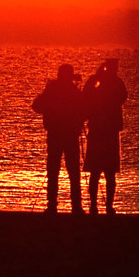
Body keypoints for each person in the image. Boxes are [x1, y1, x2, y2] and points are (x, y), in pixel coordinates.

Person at [31, 63, 85, 215]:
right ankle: (76, 207)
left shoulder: (53, 89)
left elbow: (36, 106)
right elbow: (85, 110)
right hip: (69, 135)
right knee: (73, 171)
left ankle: (52, 206)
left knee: (54, 170)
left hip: (56, 134)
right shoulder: (73, 91)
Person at [82, 58, 128, 215]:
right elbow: (87, 94)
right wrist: (97, 77)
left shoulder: (106, 84)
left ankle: (99, 205)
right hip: (106, 131)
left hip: (102, 131)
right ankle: (103, 206)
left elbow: (87, 94)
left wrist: (96, 76)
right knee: (105, 172)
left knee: (103, 172)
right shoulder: (115, 83)